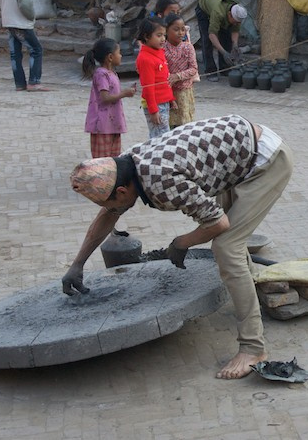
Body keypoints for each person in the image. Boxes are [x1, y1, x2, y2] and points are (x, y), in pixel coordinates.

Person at [65, 115, 294, 379]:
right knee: (231, 241)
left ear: (121, 192)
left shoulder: (159, 182)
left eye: (113, 203)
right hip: (239, 155)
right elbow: (108, 214)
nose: (113, 210)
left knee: (227, 246)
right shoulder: (125, 164)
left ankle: (253, 348)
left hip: (266, 160)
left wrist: (181, 243)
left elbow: (218, 223)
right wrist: (77, 264)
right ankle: (253, 298)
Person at [0, 0, 48, 92]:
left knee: (15, 54)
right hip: (20, 22)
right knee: (36, 49)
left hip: (8, 21)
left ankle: (20, 84)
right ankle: (34, 82)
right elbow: (25, 2)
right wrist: (31, 16)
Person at [82, 38, 137, 158]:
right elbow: (105, 98)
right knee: (102, 160)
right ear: (110, 57)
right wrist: (124, 94)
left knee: (114, 159)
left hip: (113, 123)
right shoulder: (101, 74)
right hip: (102, 125)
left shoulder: (111, 73)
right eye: (119, 53)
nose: (121, 56)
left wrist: (126, 92)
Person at [135, 17, 175, 138]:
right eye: (159, 35)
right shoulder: (145, 58)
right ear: (147, 36)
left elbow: (164, 79)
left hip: (163, 102)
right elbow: (148, 87)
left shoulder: (159, 52)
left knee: (160, 134)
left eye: (164, 35)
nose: (163, 39)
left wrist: (171, 98)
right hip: (156, 104)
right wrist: (153, 110)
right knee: (160, 137)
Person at [195, 0, 247, 82]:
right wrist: (224, 52)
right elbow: (212, 35)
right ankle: (210, 71)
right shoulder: (218, 13)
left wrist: (235, 45)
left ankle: (224, 68)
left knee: (226, 38)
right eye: (234, 21)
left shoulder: (237, 13)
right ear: (229, 15)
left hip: (219, 7)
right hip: (203, 9)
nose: (235, 24)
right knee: (207, 40)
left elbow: (235, 31)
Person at [164, 13, 199, 128]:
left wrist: (177, 76)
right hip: (168, 92)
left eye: (183, 29)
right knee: (169, 124)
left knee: (185, 124)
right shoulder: (162, 49)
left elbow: (193, 69)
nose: (180, 33)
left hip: (184, 92)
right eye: (176, 29)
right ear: (166, 31)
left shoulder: (188, 47)